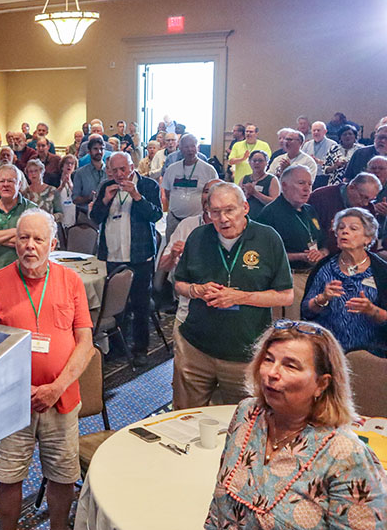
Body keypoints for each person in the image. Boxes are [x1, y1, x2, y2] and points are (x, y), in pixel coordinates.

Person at [202, 321, 387, 530]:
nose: (271, 373)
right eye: (268, 359)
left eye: (290, 366)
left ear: (322, 384)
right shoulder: (247, 413)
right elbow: (227, 516)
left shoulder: (347, 457)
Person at [0, 209, 95, 530]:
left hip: (62, 398)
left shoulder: (71, 282)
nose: (29, 246)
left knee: (62, 474)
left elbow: (85, 343)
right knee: (9, 476)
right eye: (23, 238)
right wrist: (17, 387)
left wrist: (56, 387)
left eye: (38, 239)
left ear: (53, 244)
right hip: (14, 401)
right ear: (14, 241)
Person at [172, 183, 294, 408]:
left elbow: (285, 296)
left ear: (245, 208)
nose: (223, 219)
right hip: (195, 347)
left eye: (230, 210)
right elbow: (179, 283)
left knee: (239, 421)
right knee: (184, 415)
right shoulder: (198, 237)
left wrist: (239, 297)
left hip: (244, 352)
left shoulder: (267, 238)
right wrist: (195, 291)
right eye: (215, 212)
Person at [90, 152, 163, 364]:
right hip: (112, 255)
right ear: (110, 170)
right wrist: (104, 200)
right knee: (116, 305)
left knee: (140, 305)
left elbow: (155, 215)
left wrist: (137, 196)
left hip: (140, 255)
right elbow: (95, 218)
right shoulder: (106, 186)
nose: (120, 174)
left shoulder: (148, 185)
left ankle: (141, 349)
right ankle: (117, 347)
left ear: (132, 167)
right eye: (115, 170)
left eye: (124, 169)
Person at [301, 208, 387, 356]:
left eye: (353, 228)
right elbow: (305, 312)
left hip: (370, 357)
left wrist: (371, 310)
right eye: (341, 228)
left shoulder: (381, 271)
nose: (344, 232)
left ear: (368, 238)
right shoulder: (324, 267)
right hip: (327, 352)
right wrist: (322, 299)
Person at [158, 179, 223, 355]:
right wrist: (173, 255)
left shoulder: (231, 229)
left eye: (214, 192)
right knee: (184, 372)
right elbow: (163, 266)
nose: (208, 197)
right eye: (205, 191)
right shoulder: (187, 225)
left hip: (222, 315)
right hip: (187, 311)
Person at [258, 165, 327, 319]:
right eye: (301, 183)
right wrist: (301, 256)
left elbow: (324, 244)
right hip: (289, 279)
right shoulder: (270, 213)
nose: (307, 189)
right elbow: (265, 255)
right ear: (284, 185)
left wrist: (320, 253)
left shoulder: (310, 210)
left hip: (313, 277)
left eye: (310, 184)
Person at [0, 165, 37, 281]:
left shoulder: (31, 209)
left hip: (22, 274)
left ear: (19, 184)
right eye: (2, 181)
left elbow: (30, 242)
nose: (5, 184)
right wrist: (16, 231)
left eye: (10, 181)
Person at [163, 133, 220, 242]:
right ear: (180, 148)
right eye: (186, 147)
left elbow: (214, 194)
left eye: (193, 146)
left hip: (198, 220)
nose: (190, 150)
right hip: (175, 219)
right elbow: (167, 192)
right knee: (172, 250)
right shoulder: (172, 169)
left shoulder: (208, 170)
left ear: (197, 147)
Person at [308, 173, 380, 251]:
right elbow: (310, 232)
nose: (365, 203)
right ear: (352, 187)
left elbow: (372, 240)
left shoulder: (368, 208)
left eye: (371, 200)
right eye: (364, 197)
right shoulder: (320, 197)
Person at [72, 136, 107, 228]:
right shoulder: (80, 173)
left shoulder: (110, 172)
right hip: (85, 218)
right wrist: (89, 198)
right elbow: (75, 199)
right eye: (95, 149)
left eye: (101, 149)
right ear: (89, 151)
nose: (99, 152)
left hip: (106, 216)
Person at [240, 149, 280, 219]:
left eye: (260, 161)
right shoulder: (244, 179)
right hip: (246, 217)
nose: (257, 163)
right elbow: (237, 199)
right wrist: (246, 195)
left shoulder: (272, 179)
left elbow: (275, 203)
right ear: (249, 162)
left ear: (267, 163)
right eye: (254, 161)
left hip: (265, 218)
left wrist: (255, 193)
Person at [57, 154, 78, 230]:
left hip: (72, 212)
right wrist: (62, 186)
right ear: (62, 166)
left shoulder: (77, 179)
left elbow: (77, 195)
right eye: (67, 163)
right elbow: (52, 195)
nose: (69, 165)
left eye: (72, 164)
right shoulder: (54, 178)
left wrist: (70, 185)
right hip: (60, 212)